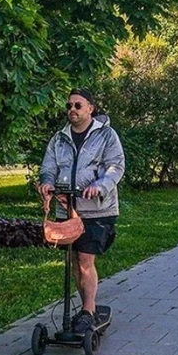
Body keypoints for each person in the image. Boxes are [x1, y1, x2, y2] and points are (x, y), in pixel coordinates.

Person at [38, 89, 125, 334]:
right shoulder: (59, 138)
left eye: (78, 105)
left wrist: (98, 187)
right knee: (75, 261)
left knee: (86, 259)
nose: (72, 110)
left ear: (90, 108)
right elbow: (48, 167)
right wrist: (46, 183)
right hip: (67, 210)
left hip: (97, 210)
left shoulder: (106, 135)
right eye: (69, 106)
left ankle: (87, 311)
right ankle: (89, 307)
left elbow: (115, 167)